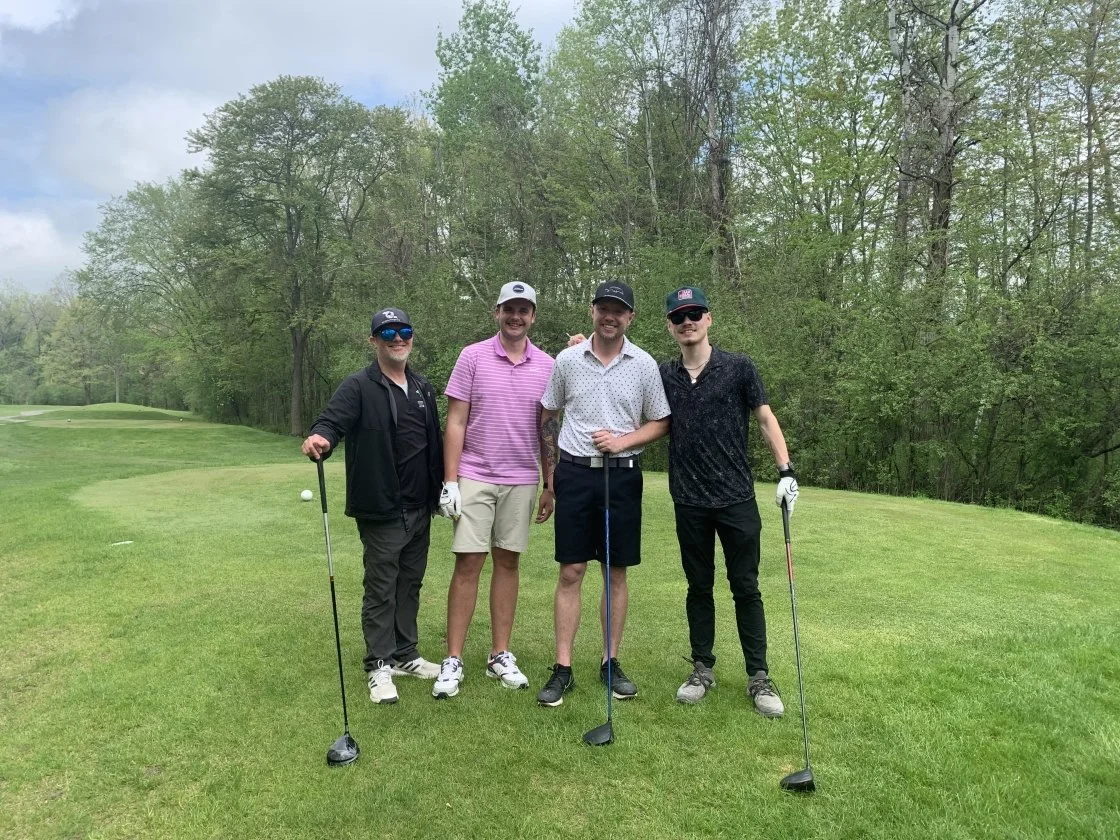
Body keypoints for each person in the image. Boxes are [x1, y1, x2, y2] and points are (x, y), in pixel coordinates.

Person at [659, 286, 799, 715]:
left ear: (709, 319)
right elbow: (622, 376)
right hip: (689, 499)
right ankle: (702, 667)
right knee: (698, 586)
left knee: (746, 587)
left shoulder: (739, 367)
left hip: (736, 497)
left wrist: (786, 471)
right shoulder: (664, 375)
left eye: (695, 313)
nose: (688, 321)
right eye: (680, 316)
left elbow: (764, 417)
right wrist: (580, 345)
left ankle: (759, 676)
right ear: (670, 325)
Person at [536, 281, 671, 707]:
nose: (610, 316)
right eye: (604, 308)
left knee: (615, 573)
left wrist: (624, 441)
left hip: (623, 476)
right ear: (592, 311)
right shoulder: (568, 360)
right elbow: (548, 414)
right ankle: (563, 667)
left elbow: (661, 421)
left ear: (630, 317)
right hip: (575, 474)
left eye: (620, 310)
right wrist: (550, 479)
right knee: (571, 572)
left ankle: (610, 662)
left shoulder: (645, 364)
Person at [301, 307, 444, 705]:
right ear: (374, 341)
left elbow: (433, 440)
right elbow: (331, 422)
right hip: (382, 507)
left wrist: (444, 489)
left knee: (409, 583)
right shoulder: (358, 385)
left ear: (412, 337)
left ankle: (406, 653)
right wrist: (319, 439)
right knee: (381, 587)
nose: (397, 338)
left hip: (420, 506)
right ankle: (379, 664)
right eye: (387, 332)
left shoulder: (422, 387)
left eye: (404, 331)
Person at [431, 282, 556, 699]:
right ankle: (453, 658)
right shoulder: (472, 356)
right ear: (497, 312)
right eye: (509, 309)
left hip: (521, 477)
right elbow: (456, 422)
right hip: (475, 473)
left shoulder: (548, 364)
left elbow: (548, 430)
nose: (516, 316)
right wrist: (450, 481)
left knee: (508, 563)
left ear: (533, 316)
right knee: (468, 563)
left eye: (524, 310)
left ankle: (499, 654)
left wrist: (549, 484)